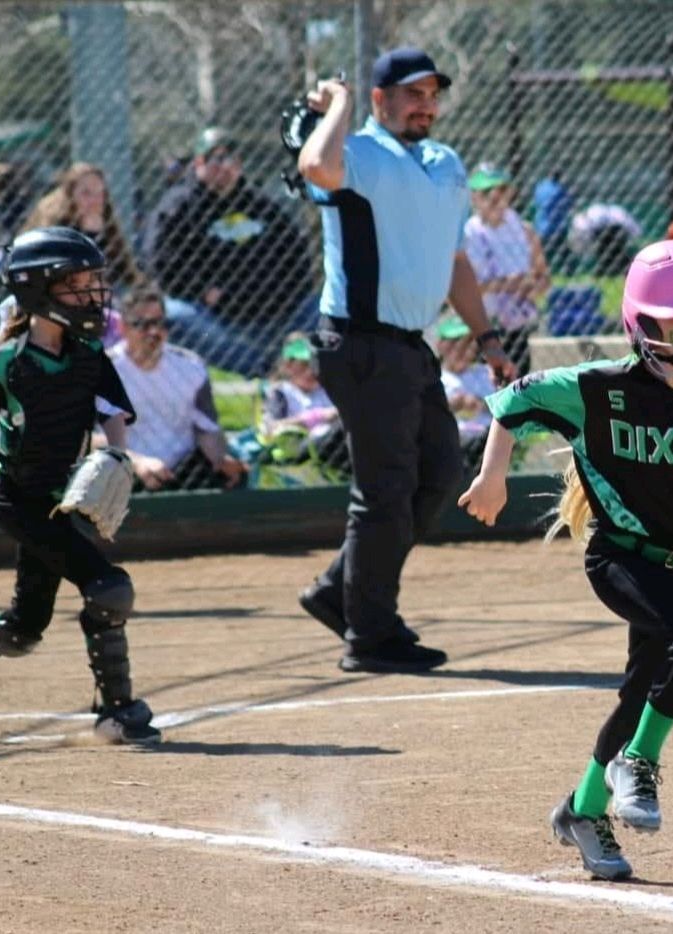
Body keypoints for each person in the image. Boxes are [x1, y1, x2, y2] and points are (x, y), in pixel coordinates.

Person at [459, 240, 673, 880]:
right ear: (644, 328)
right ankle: (637, 764)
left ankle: (582, 811)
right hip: (618, 557)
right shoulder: (600, 386)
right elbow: (512, 402)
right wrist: (492, 477)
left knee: (641, 689)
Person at [295, 46, 516, 673]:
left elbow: (454, 261)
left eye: (432, 94)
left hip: (410, 348)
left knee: (441, 471)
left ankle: (343, 590)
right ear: (379, 99)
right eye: (410, 93)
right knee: (386, 489)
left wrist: (488, 340)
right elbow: (315, 164)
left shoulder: (446, 162)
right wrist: (337, 104)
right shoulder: (358, 152)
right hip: (359, 341)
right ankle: (370, 635)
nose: (424, 104)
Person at [0, 227, 161, 744]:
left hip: (65, 500)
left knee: (23, 628)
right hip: (24, 503)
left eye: (92, 284)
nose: (92, 296)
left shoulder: (87, 353)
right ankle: (118, 713)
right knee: (109, 588)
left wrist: (118, 455)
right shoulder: (10, 363)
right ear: (39, 292)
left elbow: (113, 411)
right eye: (77, 286)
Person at [142, 125, 314, 375]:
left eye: (231, 158)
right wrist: (201, 290)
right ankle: (263, 367)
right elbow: (160, 261)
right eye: (215, 158)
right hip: (215, 322)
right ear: (199, 162)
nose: (224, 166)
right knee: (176, 314)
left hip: (275, 314)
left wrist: (280, 294)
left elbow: (298, 259)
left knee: (321, 307)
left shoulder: (262, 205)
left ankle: (296, 365)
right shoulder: (178, 206)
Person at [106, 286, 247, 492]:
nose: (153, 331)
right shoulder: (102, 369)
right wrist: (138, 463)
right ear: (122, 327)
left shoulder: (191, 366)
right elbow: (88, 437)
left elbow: (206, 427)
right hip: (123, 469)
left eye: (160, 323)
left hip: (184, 471)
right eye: (142, 324)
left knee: (235, 475)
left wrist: (220, 458)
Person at [463, 162, 551, 374]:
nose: (495, 196)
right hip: (480, 326)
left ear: (510, 192)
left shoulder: (525, 231)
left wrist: (530, 287)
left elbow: (544, 280)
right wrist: (504, 284)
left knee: (518, 385)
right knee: (488, 387)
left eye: (501, 189)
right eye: (486, 191)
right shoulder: (466, 236)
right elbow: (458, 291)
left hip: (517, 327)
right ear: (473, 196)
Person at [22, 162, 143, 291]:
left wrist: (97, 235)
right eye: (86, 193)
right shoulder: (55, 232)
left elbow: (128, 276)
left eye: (100, 193)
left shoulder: (108, 230)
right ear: (70, 196)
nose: (95, 200)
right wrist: (91, 234)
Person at [259, 331, 347, 474]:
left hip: (334, 446)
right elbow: (270, 427)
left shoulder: (327, 390)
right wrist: (316, 417)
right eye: (304, 364)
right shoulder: (281, 393)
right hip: (301, 448)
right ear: (288, 365)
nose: (311, 371)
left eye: (316, 364)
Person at [435, 315, 496, 472]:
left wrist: (479, 404)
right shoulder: (435, 377)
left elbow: (502, 408)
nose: (461, 348)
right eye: (454, 342)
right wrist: (454, 404)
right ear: (440, 345)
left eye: (467, 342)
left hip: (485, 442)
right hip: (451, 443)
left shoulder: (486, 373)